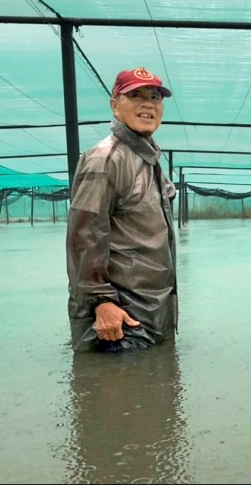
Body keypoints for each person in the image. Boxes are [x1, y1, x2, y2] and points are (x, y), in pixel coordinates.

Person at [66, 67, 178, 353]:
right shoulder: (105, 160)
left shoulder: (147, 157)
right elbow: (85, 237)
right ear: (115, 106)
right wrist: (100, 302)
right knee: (113, 393)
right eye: (135, 95)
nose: (147, 104)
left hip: (153, 313)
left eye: (155, 97)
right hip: (120, 321)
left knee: (155, 394)